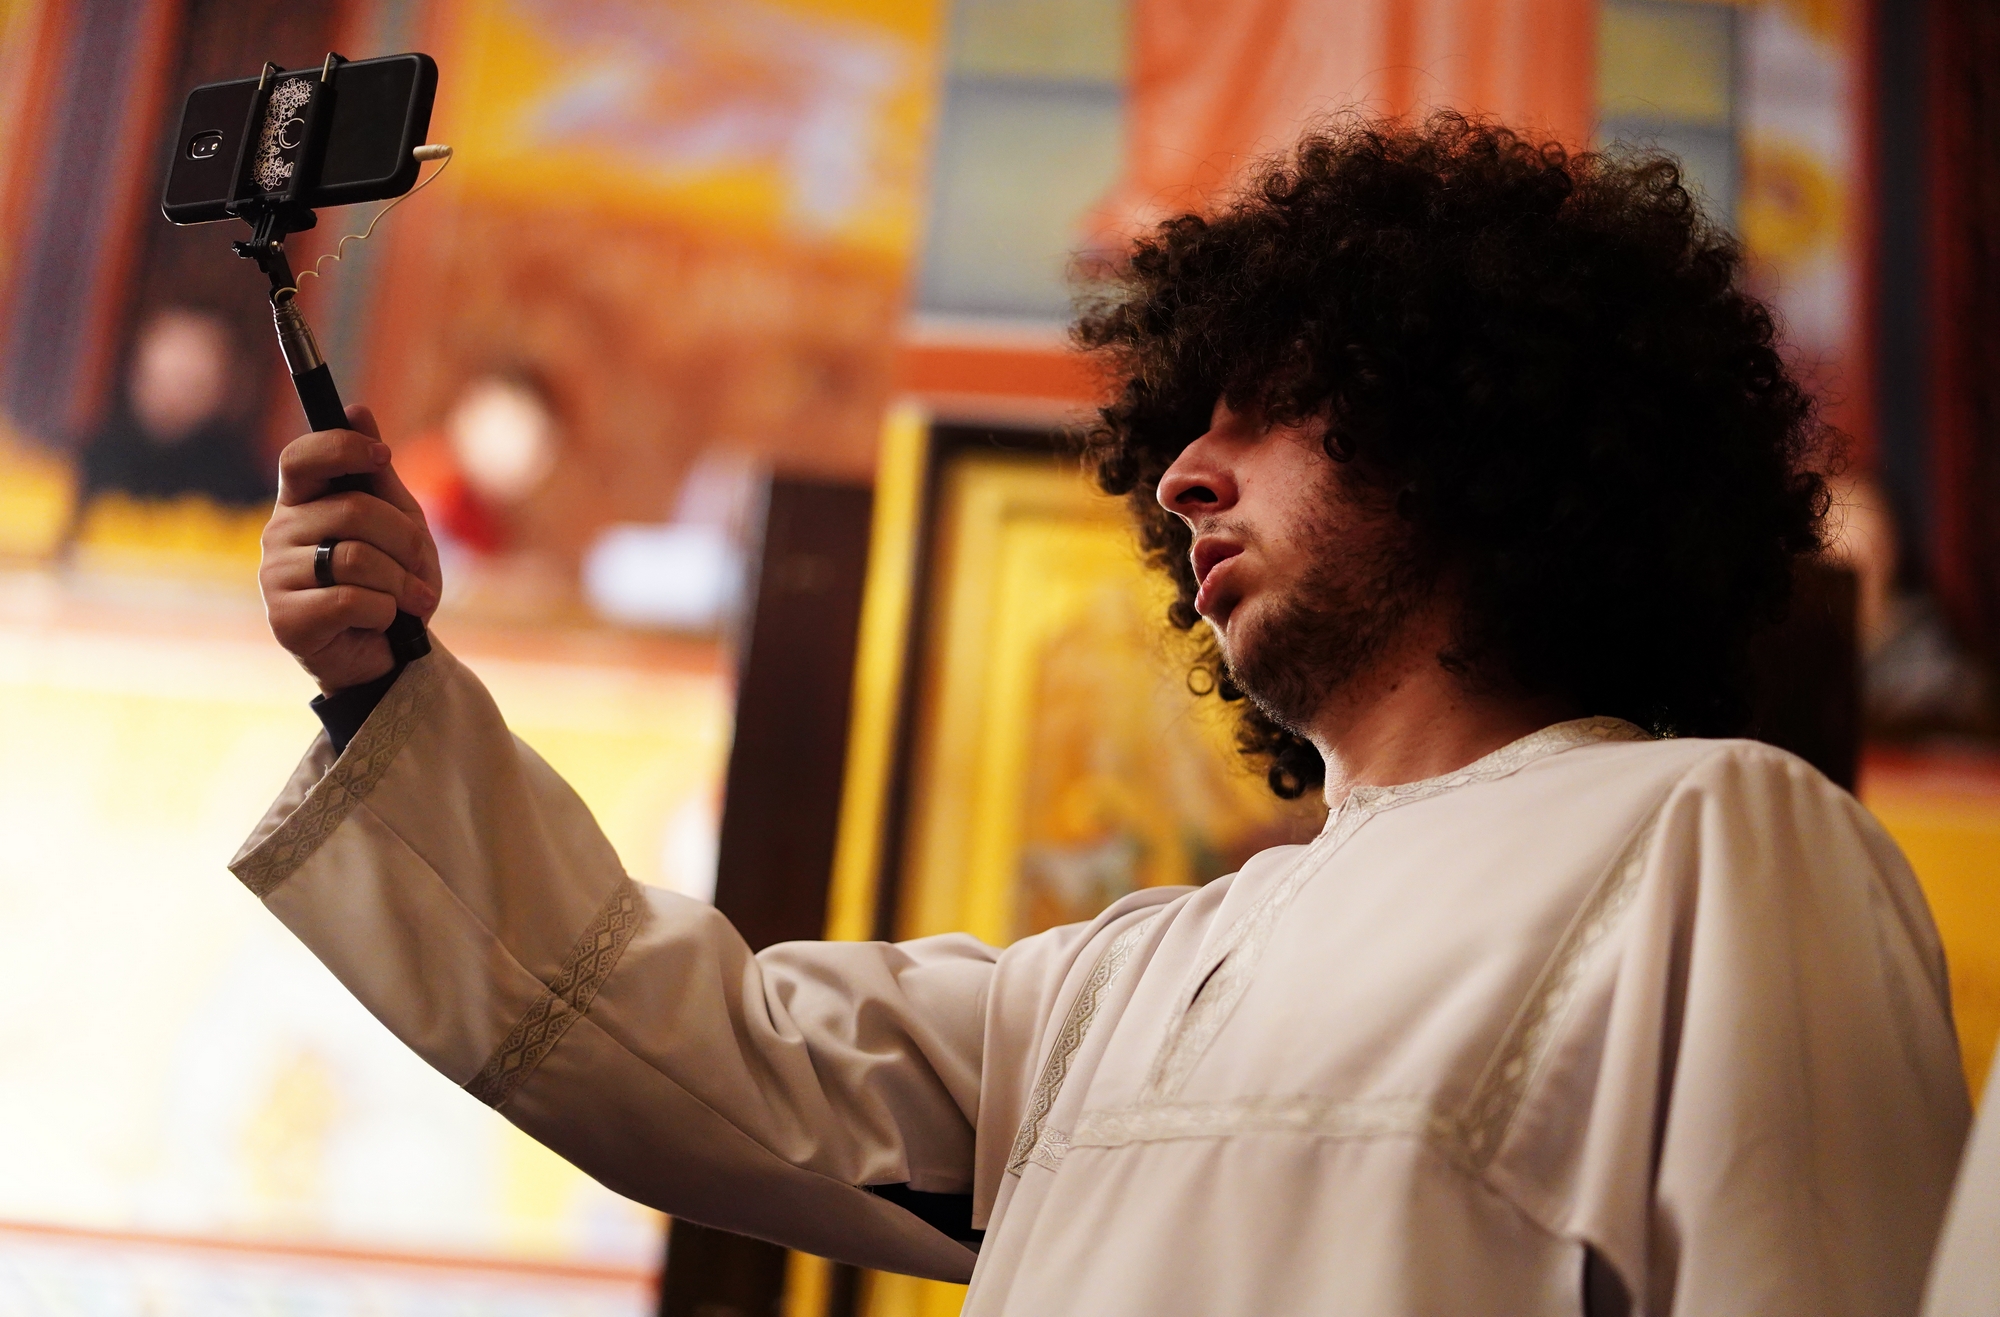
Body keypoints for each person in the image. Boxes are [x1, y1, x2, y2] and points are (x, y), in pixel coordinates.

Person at [237, 115, 1968, 1315]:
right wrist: (384, 679)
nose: (1184, 477)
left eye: (1271, 410)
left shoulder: (1713, 839)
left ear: (1473, 427)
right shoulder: (1120, 978)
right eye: (1181, 436)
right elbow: (666, 1037)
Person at [80, 308, 270, 506]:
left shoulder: (241, 484)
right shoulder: (89, 463)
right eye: (162, 379)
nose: (172, 398)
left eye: (190, 384)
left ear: (224, 388)